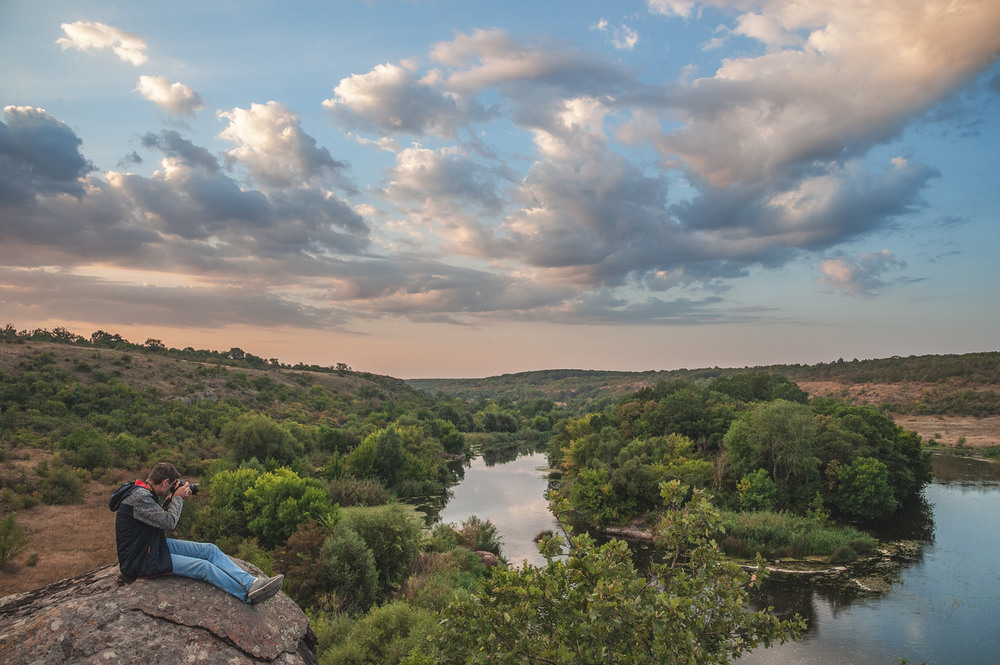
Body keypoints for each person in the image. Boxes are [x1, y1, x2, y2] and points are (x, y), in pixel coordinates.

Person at [109, 462, 284, 604]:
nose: (170, 489)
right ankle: (247, 596)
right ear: (164, 483)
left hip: (150, 546)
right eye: (170, 486)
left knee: (209, 550)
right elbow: (169, 523)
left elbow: (154, 517)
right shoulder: (140, 496)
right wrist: (177, 498)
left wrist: (171, 499)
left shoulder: (140, 490)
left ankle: (251, 583)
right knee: (203, 567)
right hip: (140, 559)